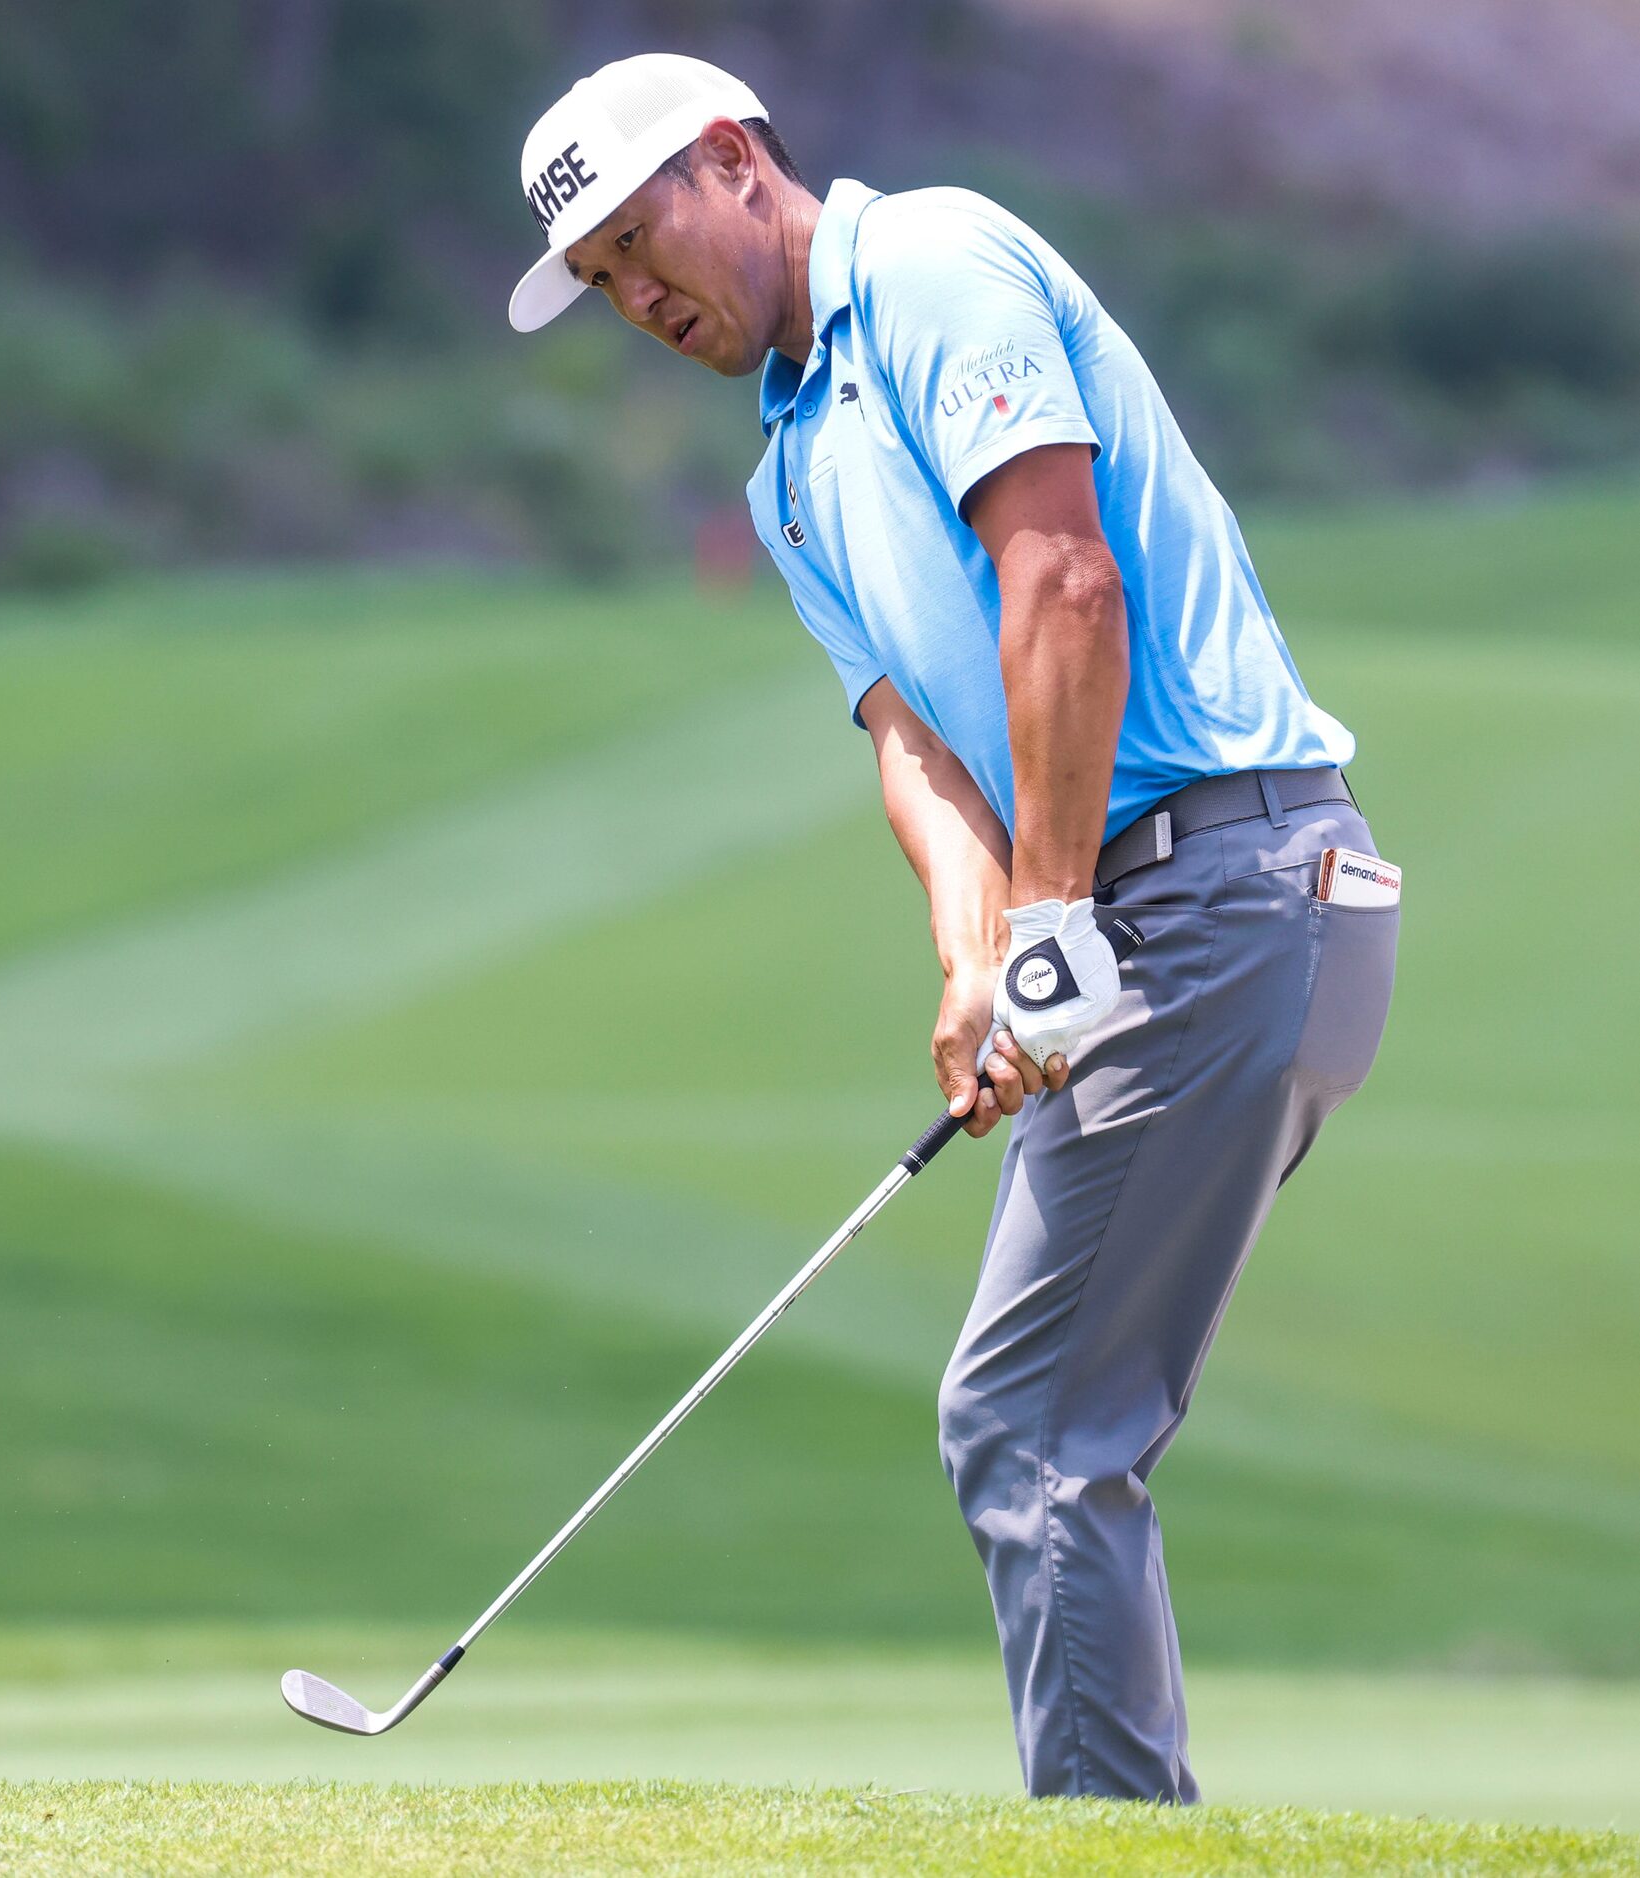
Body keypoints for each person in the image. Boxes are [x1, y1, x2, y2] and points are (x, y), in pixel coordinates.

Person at [505, 53, 1401, 1802]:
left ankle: (1107, 1842)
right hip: (1148, 914)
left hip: (1222, 882)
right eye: (602, 284)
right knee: (1042, 1416)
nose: (638, 300)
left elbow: (1061, 579)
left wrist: (1056, 910)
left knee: (1036, 1423)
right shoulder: (785, 472)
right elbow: (915, 750)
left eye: (638, 240)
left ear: (732, 157)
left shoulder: (924, 263)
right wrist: (978, 953)